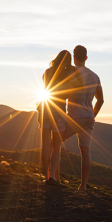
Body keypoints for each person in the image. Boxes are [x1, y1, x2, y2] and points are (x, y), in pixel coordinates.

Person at [60, 45, 104, 191]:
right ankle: (83, 186)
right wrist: (93, 115)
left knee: (55, 141)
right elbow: (100, 100)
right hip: (88, 118)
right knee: (85, 151)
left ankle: (54, 177)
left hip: (73, 117)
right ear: (86, 58)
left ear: (74, 57)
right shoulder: (95, 76)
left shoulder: (71, 73)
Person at [39, 50, 80, 185]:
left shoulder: (47, 72)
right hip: (58, 111)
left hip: (45, 108)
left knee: (45, 145)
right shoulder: (68, 75)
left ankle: (46, 176)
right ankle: (53, 179)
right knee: (56, 147)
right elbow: (75, 89)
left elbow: (46, 88)